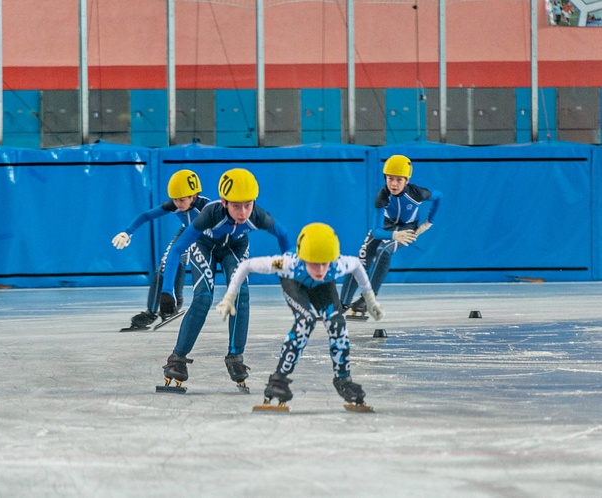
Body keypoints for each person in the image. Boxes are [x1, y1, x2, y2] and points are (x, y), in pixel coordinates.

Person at [215, 222, 384, 408]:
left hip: (323, 288)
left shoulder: (339, 263)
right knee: (305, 321)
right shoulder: (287, 264)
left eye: (324, 264)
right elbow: (246, 265)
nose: (320, 270)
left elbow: (358, 267)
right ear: (303, 258)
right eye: (314, 263)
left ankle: (344, 380)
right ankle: (278, 380)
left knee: (338, 324)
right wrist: (229, 297)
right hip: (294, 282)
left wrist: (370, 300)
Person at [157, 168, 293, 391]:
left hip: (235, 248)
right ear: (224, 202)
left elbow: (284, 235)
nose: (243, 212)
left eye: (248, 205)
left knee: (241, 294)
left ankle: (235, 356)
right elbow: (177, 249)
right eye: (236, 205)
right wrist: (167, 290)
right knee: (203, 298)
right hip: (205, 246)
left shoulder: (258, 215)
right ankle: (177, 358)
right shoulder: (209, 214)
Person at [340, 154, 442, 316]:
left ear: (407, 180)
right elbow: (376, 231)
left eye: (399, 180)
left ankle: (367, 300)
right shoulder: (382, 195)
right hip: (388, 227)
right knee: (360, 261)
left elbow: (439, 196)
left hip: (407, 227)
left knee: (384, 251)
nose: (393, 184)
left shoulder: (417, 193)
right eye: (390, 178)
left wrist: (429, 222)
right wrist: (394, 234)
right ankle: (342, 303)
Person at [111, 169, 211, 330]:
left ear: (194, 196)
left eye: (182, 200)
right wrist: (127, 232)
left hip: (204, 237)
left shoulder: (207, 208)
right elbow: (146, 216)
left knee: (178, 262)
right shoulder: (174, 205)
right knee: (163, 269)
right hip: (186, 232)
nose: (177, 203)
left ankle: (174, 302)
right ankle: (152, 312)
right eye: (175, 200)